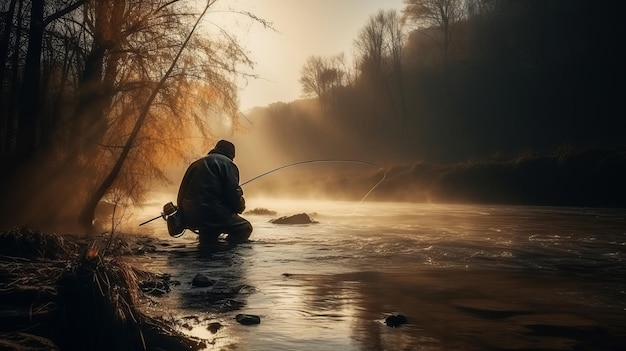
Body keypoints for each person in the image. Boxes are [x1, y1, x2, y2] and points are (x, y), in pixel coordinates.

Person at [175, 140, 252, 244]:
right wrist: (240, 207)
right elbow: (233, 194)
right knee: (245, 228)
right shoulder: (228, 164)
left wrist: (183, 212)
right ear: (231, 154)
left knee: (208, 236)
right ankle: (226, 253)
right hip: (213, 213)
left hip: (191, 215)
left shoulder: (196, 164)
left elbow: (181, 193)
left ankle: (208, 251)